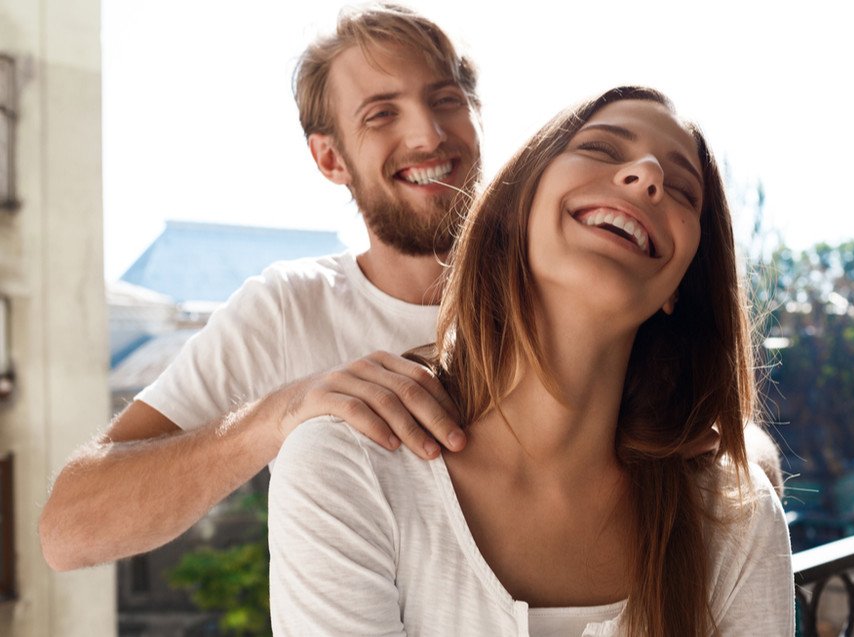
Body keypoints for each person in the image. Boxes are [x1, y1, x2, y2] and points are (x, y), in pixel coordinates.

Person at [40, 3, 780, 572]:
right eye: (381, 114)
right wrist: (284, 414)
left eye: (446, 99)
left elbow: (712, 426)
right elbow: (69, 527)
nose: (428, 135)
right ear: (330, 158)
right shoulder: (288, 309)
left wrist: (742, 468)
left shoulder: (583, 272)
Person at [268, 87, 795, 636]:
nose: (646, 175)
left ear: (679, 286)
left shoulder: (736, 518)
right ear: (516, 209)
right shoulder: (346, 469)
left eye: (683, 189)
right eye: (601, 149)